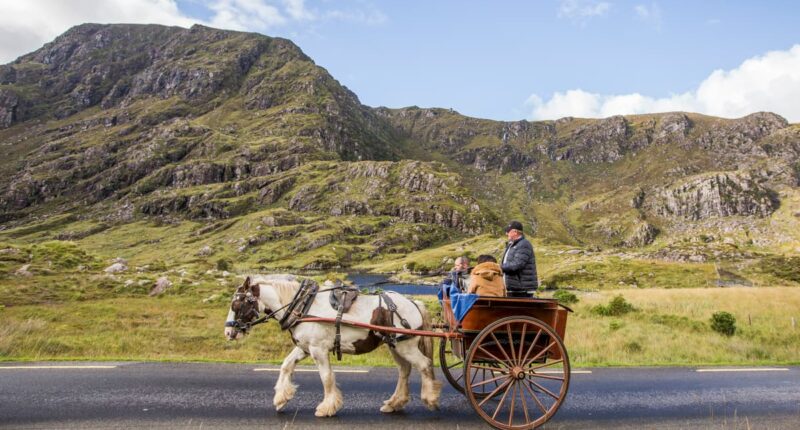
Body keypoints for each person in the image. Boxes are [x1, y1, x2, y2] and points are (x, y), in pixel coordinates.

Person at [500, 221, 539, 297]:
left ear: (515, 232)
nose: (506, 233)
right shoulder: (512, 245)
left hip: (521, 290)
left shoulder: (524, 244)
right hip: (514, 289)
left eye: (508, 231)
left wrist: (498, 267)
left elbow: (517, 264)